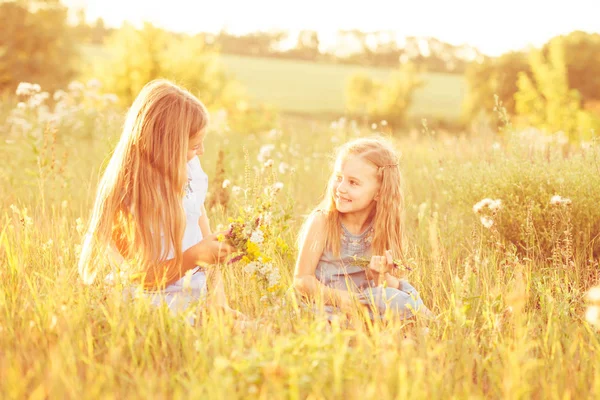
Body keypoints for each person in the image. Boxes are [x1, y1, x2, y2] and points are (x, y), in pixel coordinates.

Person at [78, 79, 242, 322]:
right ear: (167, 146)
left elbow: (203, 234)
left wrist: (220, 304)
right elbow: (140, 276)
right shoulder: (128, 197)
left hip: (193, 297)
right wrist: (193, 257)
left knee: (261, 332)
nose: (202, 152)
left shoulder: (190, 171)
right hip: (149, 306)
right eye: (195, 145)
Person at [293, 136, 432, 320]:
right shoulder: (323, 222)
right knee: (323, 319)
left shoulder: (381, 228)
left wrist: (379, 276)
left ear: (379, 192)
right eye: (338, 178)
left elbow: (383, 286)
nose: (341, 188)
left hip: (362, 303)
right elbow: (302, 280)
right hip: (324, 302)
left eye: (353, 182)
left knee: (400, 298)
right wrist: (340, 298)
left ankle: (431, 322)